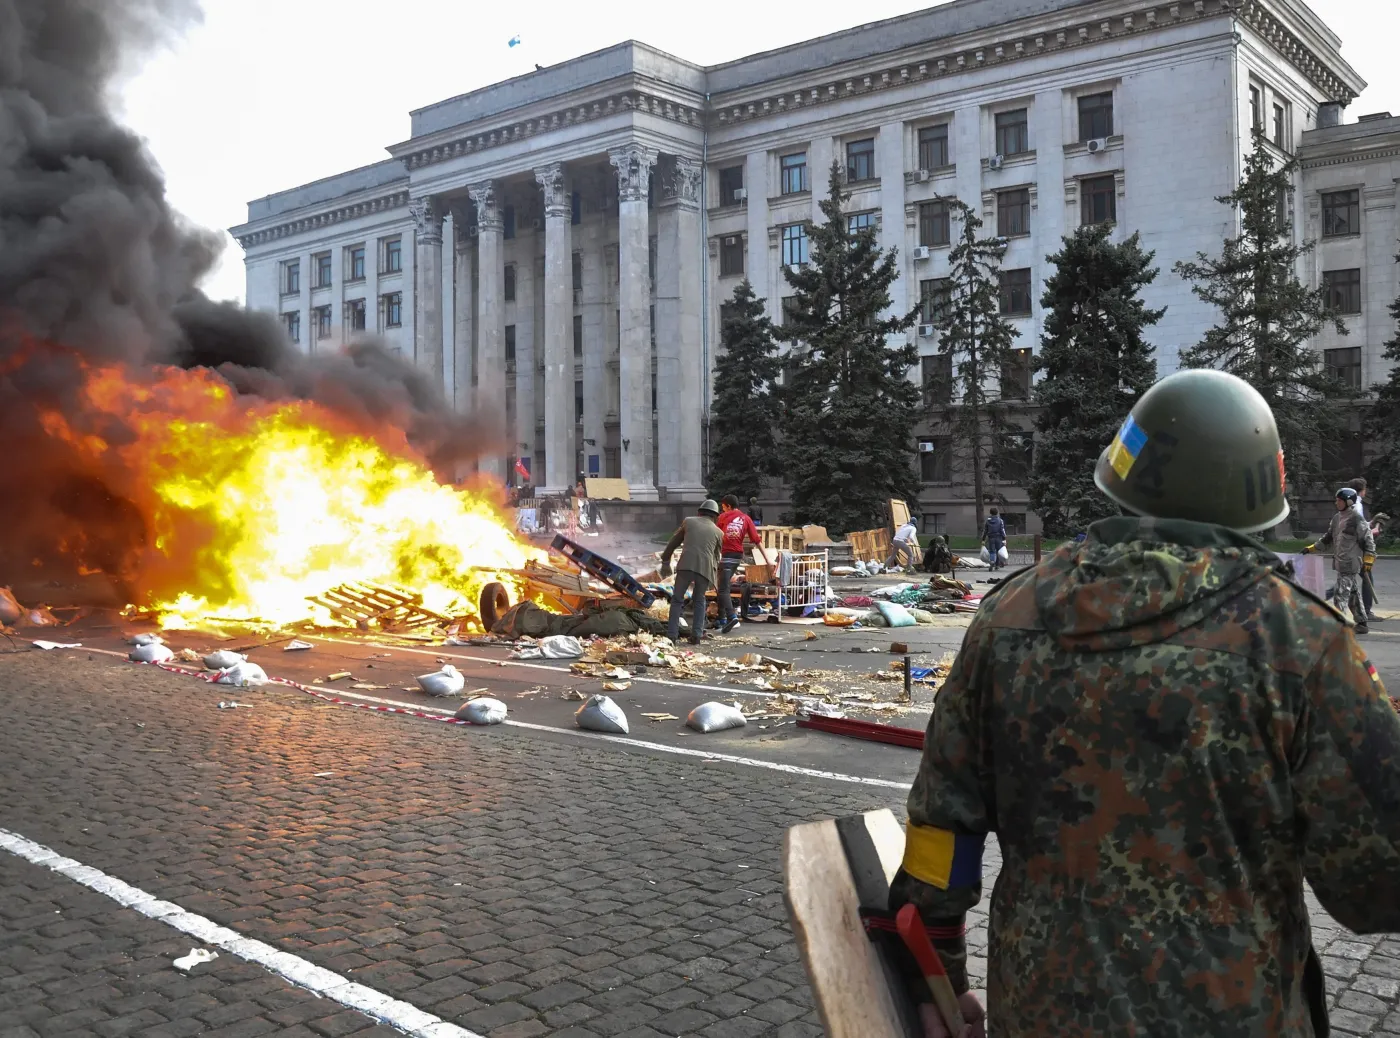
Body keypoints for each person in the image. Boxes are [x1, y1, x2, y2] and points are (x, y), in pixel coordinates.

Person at [888, 369, 1400, 1038]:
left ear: (1123, 478)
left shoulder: (1006, 616)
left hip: (1041, 1012)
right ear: (1259, 495)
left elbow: (940, 827)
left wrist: (936, 979)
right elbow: (1377, 884)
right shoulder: (1300, 640)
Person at [1304, 486, 1375, 634]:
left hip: (1350, 563)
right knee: (1353, 595)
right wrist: (1311, 548)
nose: (1336, 503)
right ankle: (1362, 623)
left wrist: (1369, 559)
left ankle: (1339, 628)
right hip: (1340, 562)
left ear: (1348, 502)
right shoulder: (1337, 518)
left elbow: (1368, 540)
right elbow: (1327, 538)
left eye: (1339, 500)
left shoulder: (1356, 519)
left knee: (1340, 596)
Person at [660, 499, 723, 645]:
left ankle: (672, 636)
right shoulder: (719, 532)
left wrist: (665, 561)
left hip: (686, 565)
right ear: (715, 516)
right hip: (705, 570)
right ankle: (696, 635)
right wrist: (713, 578)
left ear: (699, 512)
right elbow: (716, 558)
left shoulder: (689, 522)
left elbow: (673, 542)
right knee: (699, 600)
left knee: (677, 600)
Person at [715, 495, 769, 634]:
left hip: (726, 556)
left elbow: (715, 536)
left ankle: (731, 617)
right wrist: (767, 560)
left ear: (728, 506)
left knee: (722, 589)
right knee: (722, 586)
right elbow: (757, 540)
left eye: (723, 507)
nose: (723, 509)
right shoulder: (746, 518)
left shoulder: (722, 517)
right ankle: (721, 620)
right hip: (738, 556)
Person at [1349, 477, 1379, 622]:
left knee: (1347, 580)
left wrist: (1371, 523)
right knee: (1366, 579)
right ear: (1362, 490)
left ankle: (1322, 597)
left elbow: (1359, 524)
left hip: (1350, 547)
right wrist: (1374, 530)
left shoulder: (1351, 503)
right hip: (1357, 548)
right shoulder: (1357, 505)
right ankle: (1366, 611)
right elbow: (1359, 530)